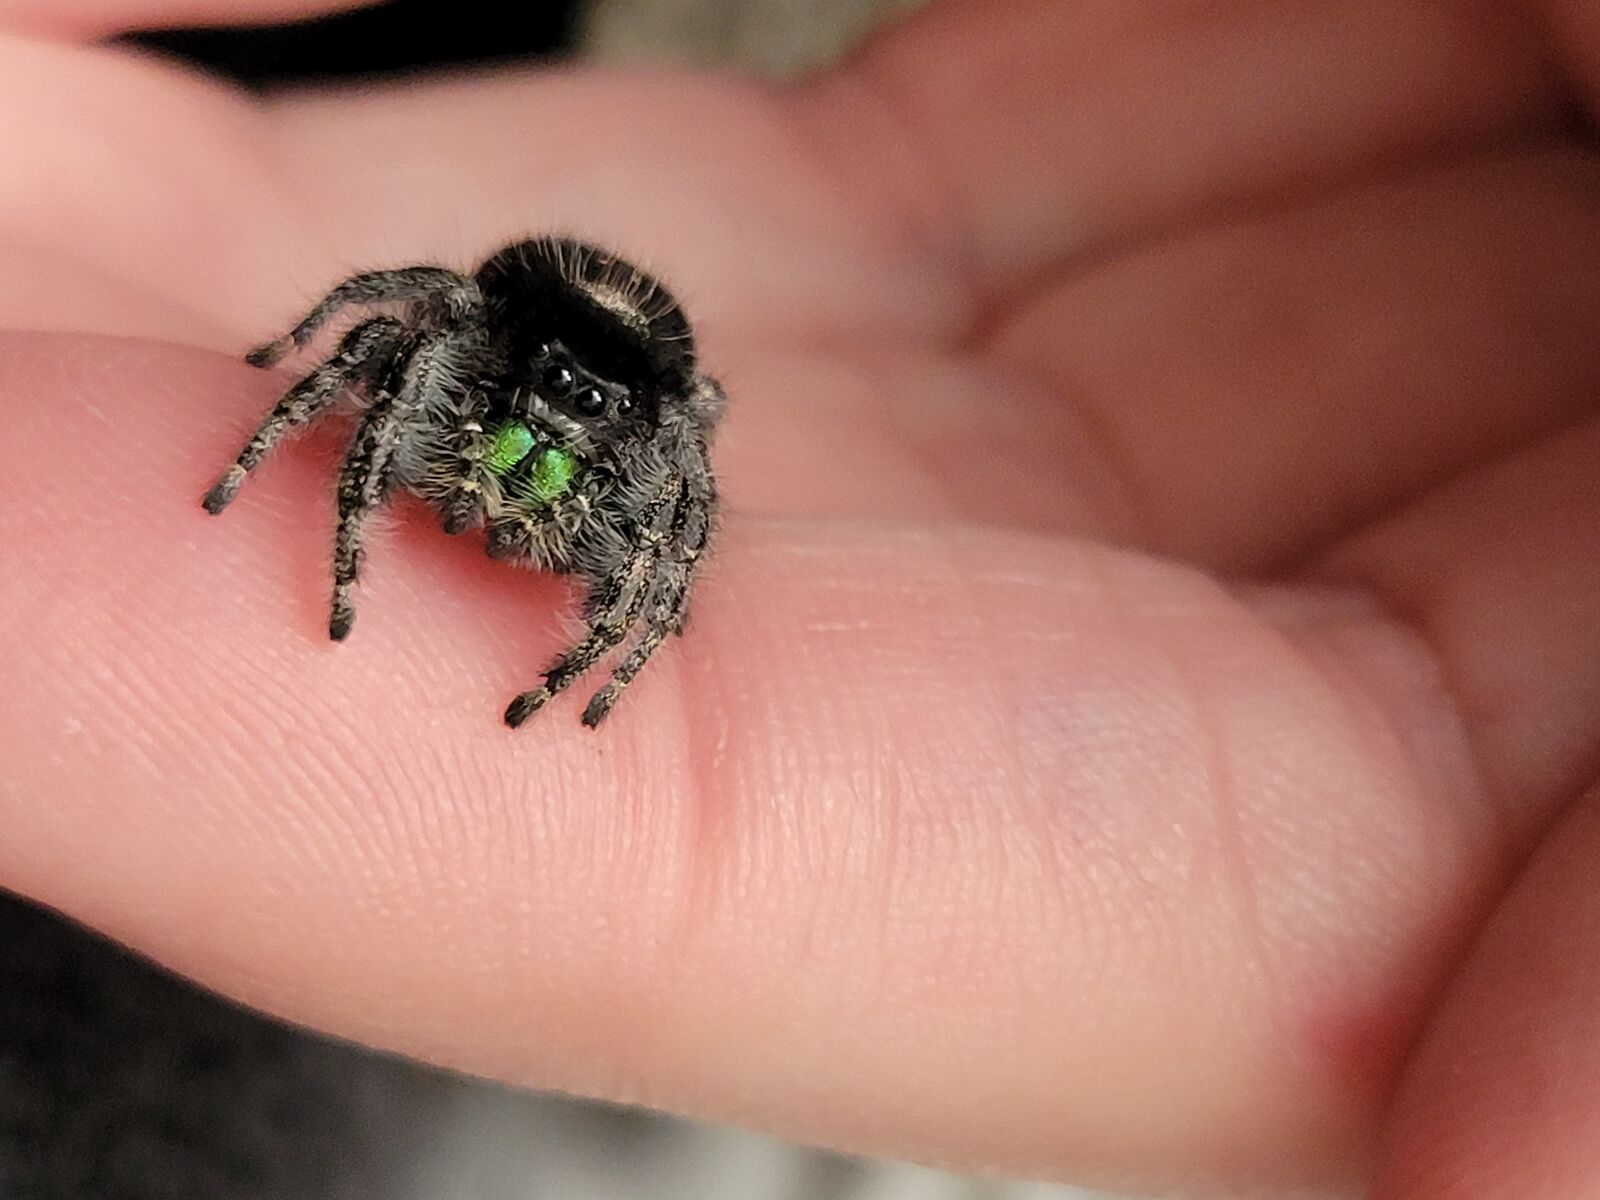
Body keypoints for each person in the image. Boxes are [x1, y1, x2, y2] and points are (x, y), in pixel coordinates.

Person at [1, 1, 1597, 1195]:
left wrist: (611, 657)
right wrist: (312, 473)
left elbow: (679, 490)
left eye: (582, 434)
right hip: (523, 276)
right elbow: (377, 320)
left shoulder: (650, 451)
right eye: (525, 409)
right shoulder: (460, 351)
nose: (536, 441)